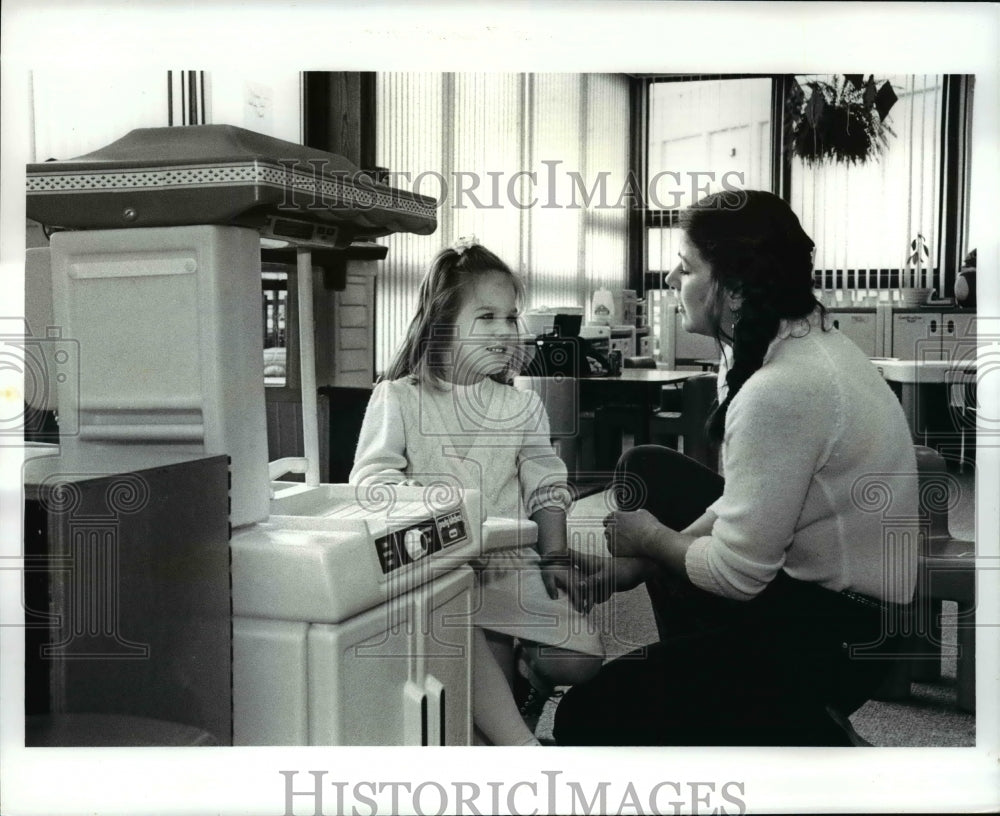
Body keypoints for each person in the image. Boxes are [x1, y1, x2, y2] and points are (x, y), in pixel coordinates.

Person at [553, 189, 919, 746]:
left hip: (843, 637)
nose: (672, 281)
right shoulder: (794, 346)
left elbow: (737, 574)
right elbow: (742, 503)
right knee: (647, 468)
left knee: (585, 716)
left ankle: (797, 724)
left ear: (735, 290)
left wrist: (652, 541)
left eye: (686, 267)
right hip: (826, 602)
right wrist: (644, 566)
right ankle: (730, 688)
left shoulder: (782, 388)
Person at [350, 237, 604, 746]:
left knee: (584, 656)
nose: (504, 331)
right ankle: (522, 747)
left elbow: (547, 486)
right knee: (455, 636)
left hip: (507, 565)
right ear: (444, 321)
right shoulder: (398, 397)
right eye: (486, 317)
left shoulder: (522, 407)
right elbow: (372, 480)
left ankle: (524, 679)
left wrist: (553, 553)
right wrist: (442, 518)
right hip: (437, 570)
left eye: (511, 318)